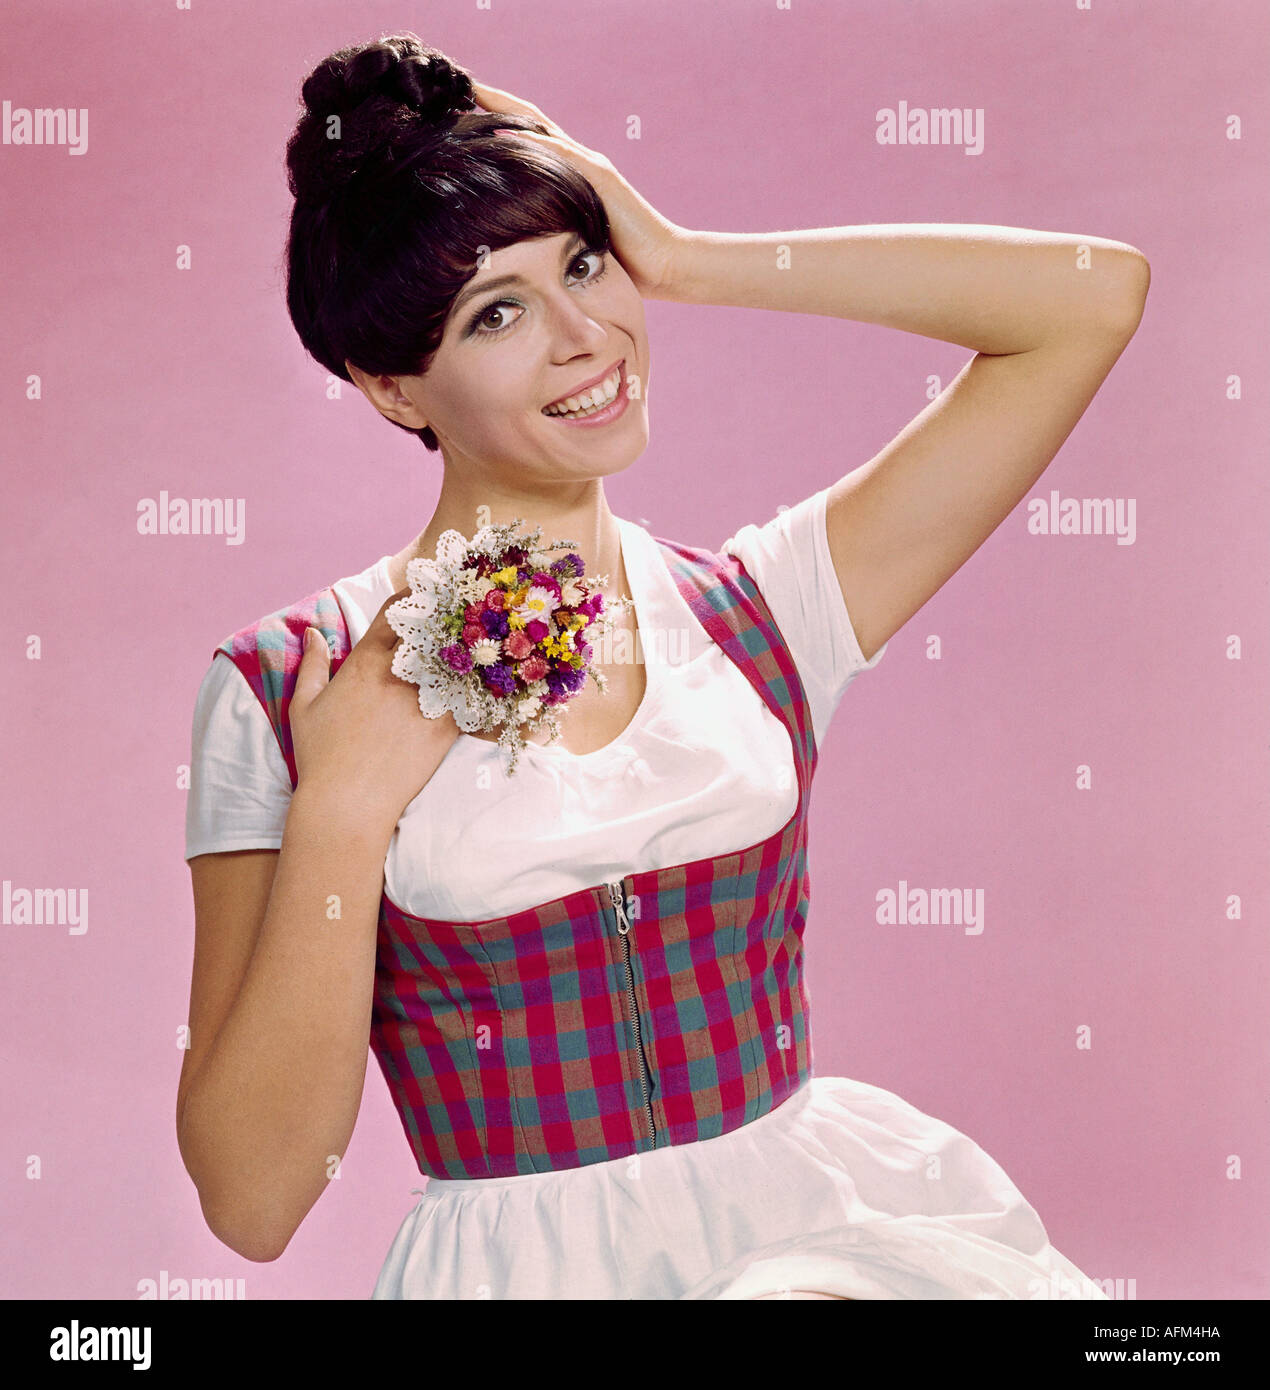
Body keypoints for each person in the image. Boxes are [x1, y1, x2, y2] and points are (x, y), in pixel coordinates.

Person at [175, 33, 1149, 1300]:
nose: (587, 335)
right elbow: (254, 1201)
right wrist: (346, 810)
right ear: (390, 387)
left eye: (583, 265)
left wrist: (683, 254)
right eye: (499, 312)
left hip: (813, 1246)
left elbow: (1092, 299)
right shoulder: (282, 689)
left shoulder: (766, 607)